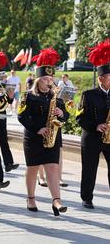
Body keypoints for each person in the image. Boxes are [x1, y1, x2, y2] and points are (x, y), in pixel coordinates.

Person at [18, 47, 69, 216]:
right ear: (38, 79)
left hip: (52, 138)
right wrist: (37, 129)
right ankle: (31, 198)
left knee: (53, 168)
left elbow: (66, 116)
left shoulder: (56, 98)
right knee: (32, 169)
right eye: (45, 79)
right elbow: (21, 116)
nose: (48, 82)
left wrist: (62, 114)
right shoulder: (28, 96)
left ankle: (56, 200)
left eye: (51, 78)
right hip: (33, 138)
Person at [76, 38, 110, 209]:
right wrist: (96, 126)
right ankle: (87, 197)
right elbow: (80, 117)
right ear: (101, 78)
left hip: (109, 137)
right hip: (91, 137)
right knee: (89, 169)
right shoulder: (88, 94)